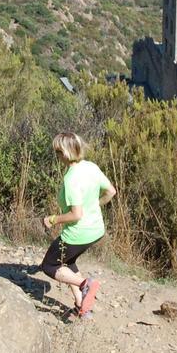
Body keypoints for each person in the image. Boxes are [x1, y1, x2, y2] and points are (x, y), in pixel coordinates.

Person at [40, 132, 116, 320]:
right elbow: (111, 191)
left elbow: (76, 214)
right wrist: (95, 205)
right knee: (67, 261)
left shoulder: (71, 178)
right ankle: (82, 306)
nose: (56, 155)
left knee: (49, 265)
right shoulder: (91, 167)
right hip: (96, 230)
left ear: (64, 153)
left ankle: (85, 284)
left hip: (78, 234)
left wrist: (53, 219)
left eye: (57, 152)